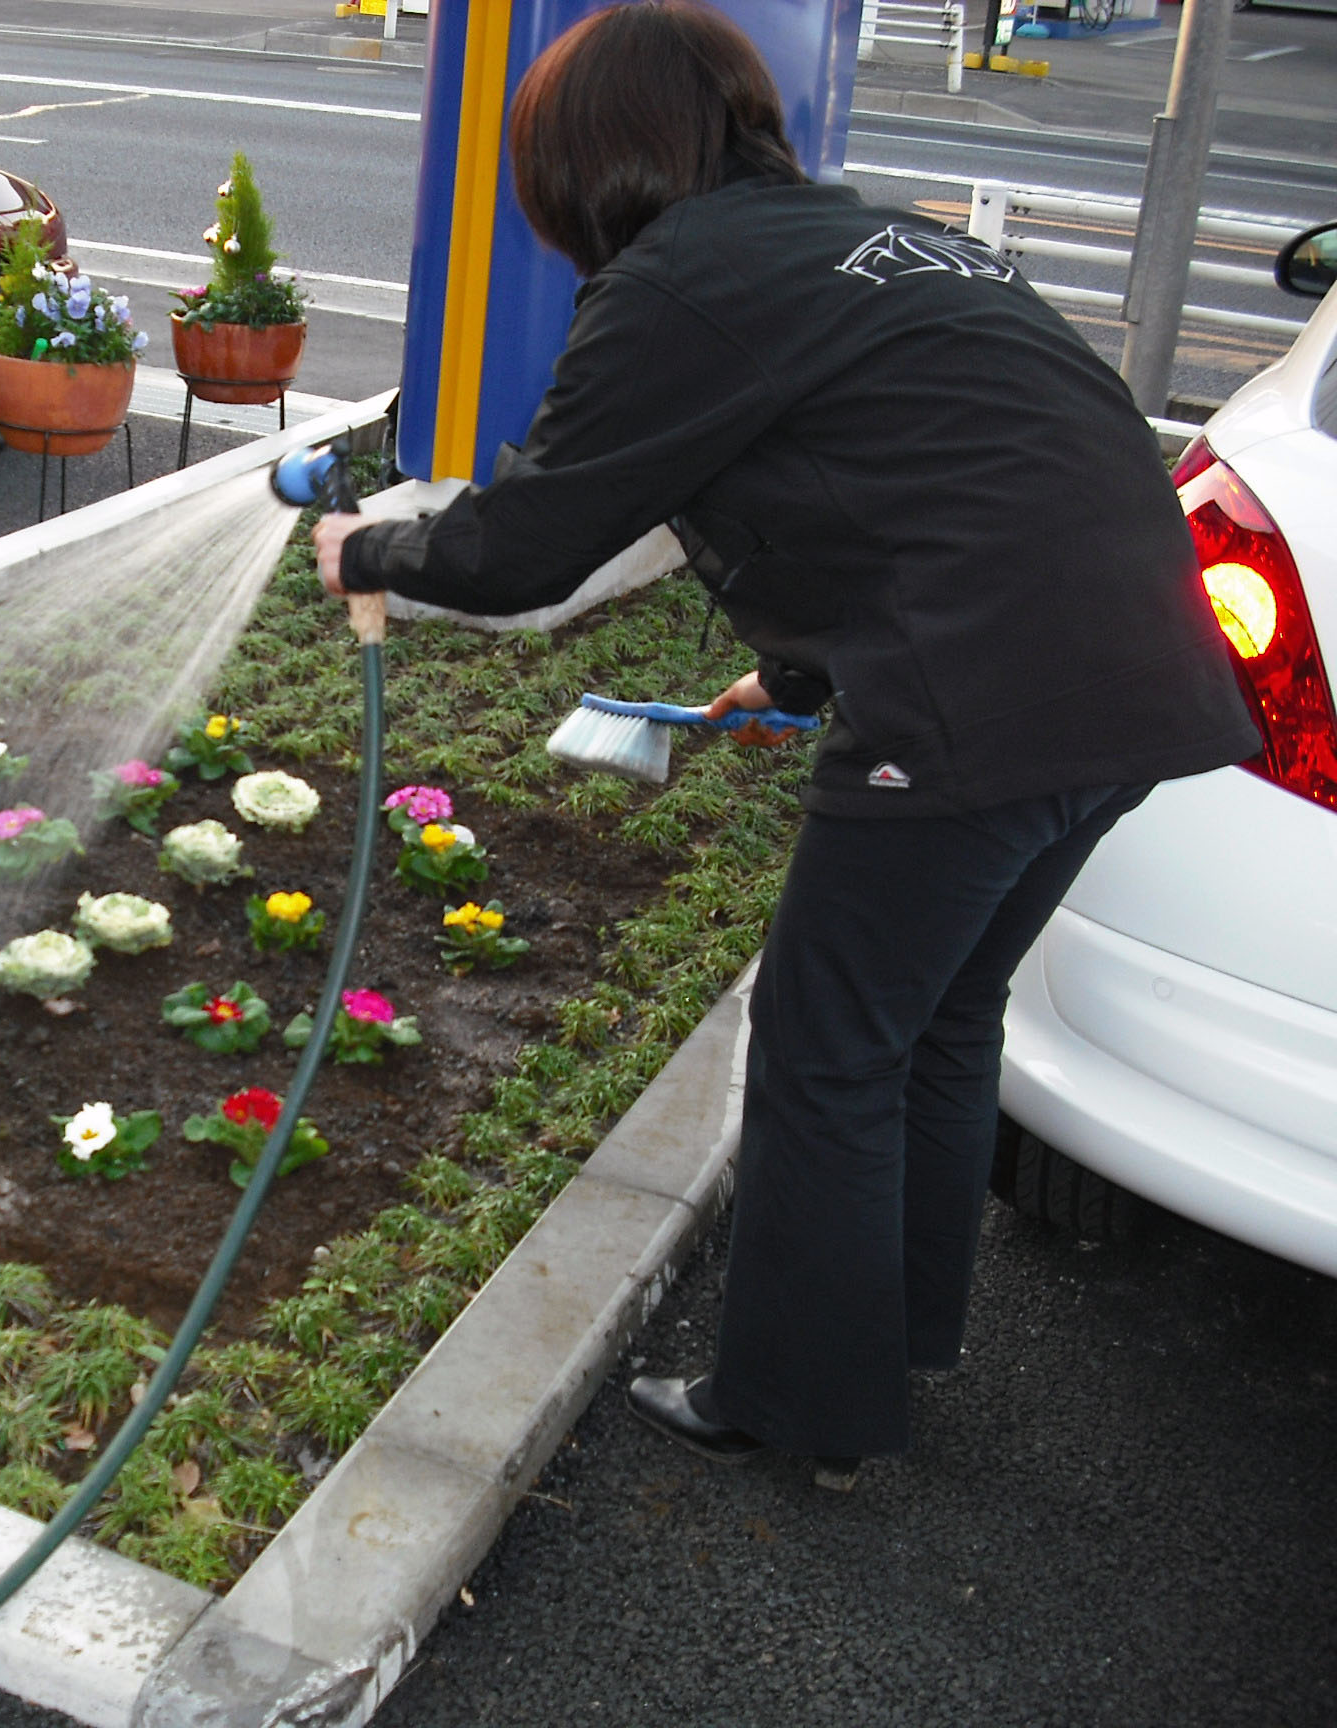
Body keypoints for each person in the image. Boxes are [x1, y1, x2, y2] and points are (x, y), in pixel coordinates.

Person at [315, 0, 1257, 1487]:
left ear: (580, 160)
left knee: (825, 1048)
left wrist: (371, 549)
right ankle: (900, 1336)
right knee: (939, 1021)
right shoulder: (883, 239)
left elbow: (527, 546)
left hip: (986, 701)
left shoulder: (680, 280)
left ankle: (801, 1406)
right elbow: (919, 477)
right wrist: (803, 677)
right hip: (1143, 678)